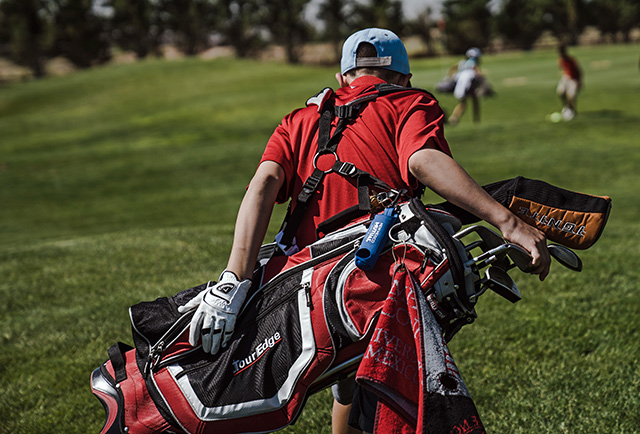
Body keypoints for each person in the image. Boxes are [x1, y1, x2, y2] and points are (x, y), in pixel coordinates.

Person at [179, 28, 550, 434]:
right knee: (384, 386)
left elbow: (264, 184)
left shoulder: (300, 119)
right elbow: (423, 160)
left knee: (349, 385)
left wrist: (233, 279)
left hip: (304, 291)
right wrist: (508, 222)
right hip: (376, 282)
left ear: (342, 78)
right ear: (404, 77)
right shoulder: (410, 102)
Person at [448, 47, 483, 125]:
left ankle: (455, 118)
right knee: (465, 104)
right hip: (466, 88)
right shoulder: (473, 64)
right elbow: (479, 73)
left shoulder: (462, 62)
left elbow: (452, 68)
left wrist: (451, 76)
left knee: (464, 103)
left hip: (460, 87)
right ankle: (454, 119)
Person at [556, 44, 582, 121]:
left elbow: (578, 71)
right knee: (560, 92)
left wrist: (579, 81)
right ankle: (566, 107)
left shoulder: (571, 60)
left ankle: (571, 110)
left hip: (573, 79)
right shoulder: (560, 60)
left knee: (571, 96)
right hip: (565, 78)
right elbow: (563, 69)